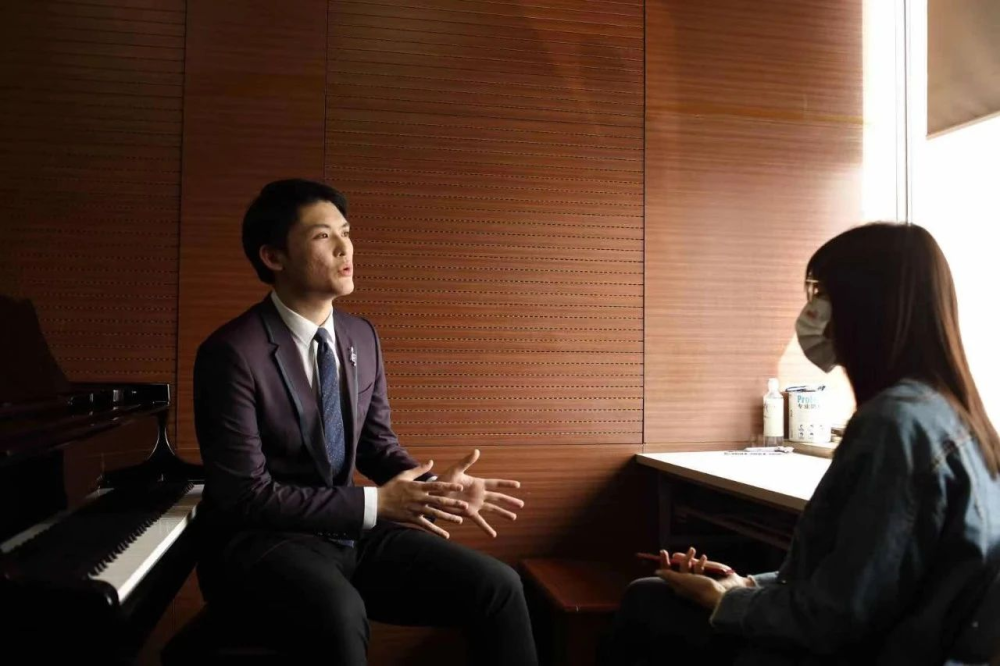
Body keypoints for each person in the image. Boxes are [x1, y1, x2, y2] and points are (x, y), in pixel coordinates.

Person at [601, 222, 1000, 665]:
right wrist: (744, 585)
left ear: (865, 305)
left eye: (823, 294)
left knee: (648, 601)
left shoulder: (893, 426)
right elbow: (857, 578)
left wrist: (725, 601)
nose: (813, 312)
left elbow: (837, 617)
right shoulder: (953, 416)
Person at [193, 179, 538, 665]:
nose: (344, 248)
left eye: (346, 231)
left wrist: (436, 490)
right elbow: (246, 496)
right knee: (339, 612)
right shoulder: (231, 352)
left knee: (498, 586)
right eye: (322, 236)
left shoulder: (360, 335)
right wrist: (375, 503)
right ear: (273, 257)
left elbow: (377, 446)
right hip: (263, 542)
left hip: (348, 532)